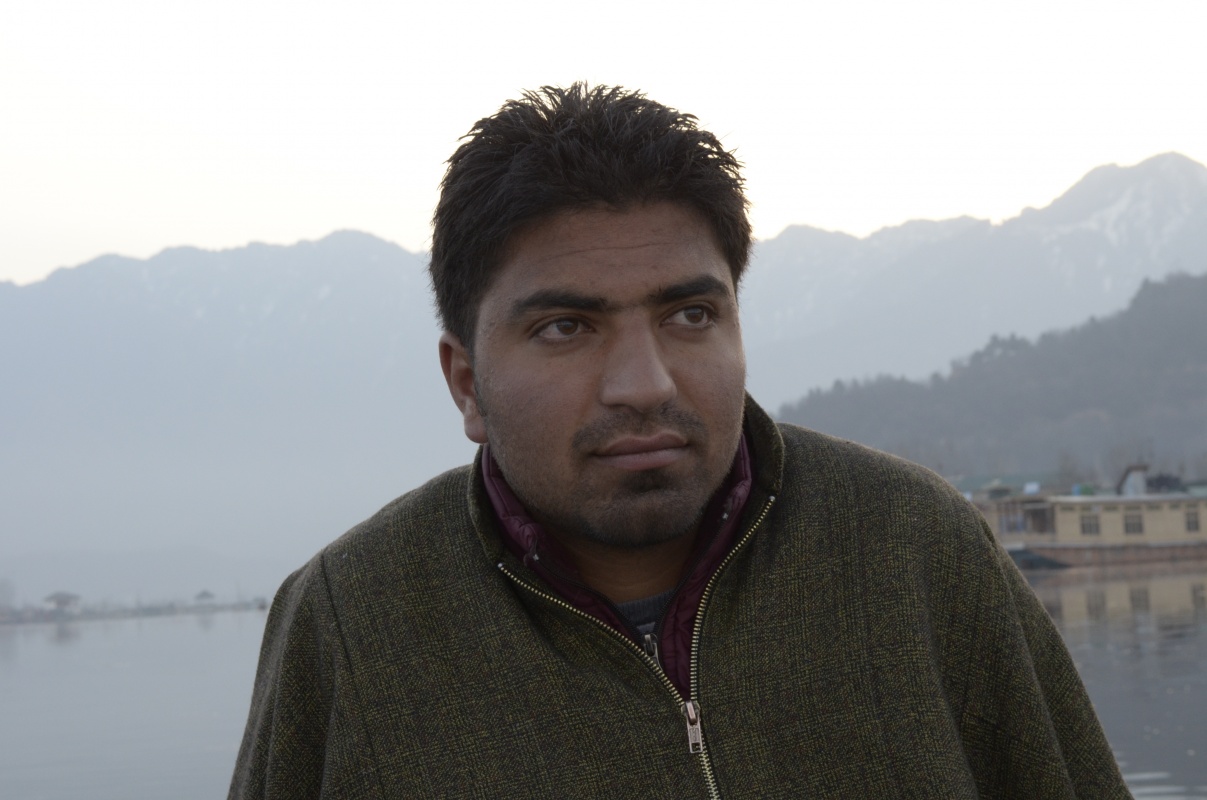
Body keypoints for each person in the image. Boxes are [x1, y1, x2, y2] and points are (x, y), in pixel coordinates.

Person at [229, 84, 1129, 799]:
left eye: (690, 314)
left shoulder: (912, 548)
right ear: (466, 381)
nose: (645, 383)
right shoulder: (351, 622)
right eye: (565, 327)